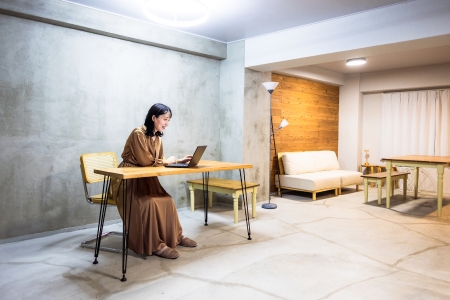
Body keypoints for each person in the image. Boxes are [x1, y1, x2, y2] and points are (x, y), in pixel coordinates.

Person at [111, 103, 196, 259]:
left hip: (146, 178)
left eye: (169, 120)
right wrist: (168, 161)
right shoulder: (138, 133)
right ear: (153, 118)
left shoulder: (157, 137)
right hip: (128, 179)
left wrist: (178, 160)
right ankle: (155, 245)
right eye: (164, 119)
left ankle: (176, 237)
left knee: (168, 200)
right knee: (148, 203)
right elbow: (145, 161)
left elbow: (159, 160)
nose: (167, 123)